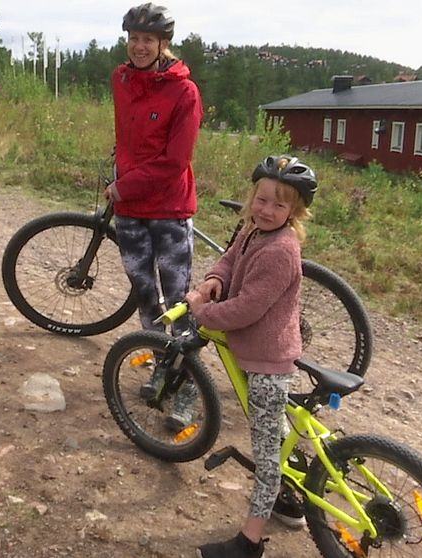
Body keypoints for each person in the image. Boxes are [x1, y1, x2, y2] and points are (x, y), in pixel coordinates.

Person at [187, 155, 318, 558]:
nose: (266, 210)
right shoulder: (253, 230)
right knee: (277, 432)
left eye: (279, 205)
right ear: (252, 198)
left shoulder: (281, 250)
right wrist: (213, 279)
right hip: (258, 351)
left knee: (266, 458)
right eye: (261, 199)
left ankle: (250, 541)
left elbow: (246, 309)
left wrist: (202, 311)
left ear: (295, 212)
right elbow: (230, 259)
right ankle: (292, 500)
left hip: (267, 361)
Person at [105, 2, 203, 431]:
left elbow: (175, 161)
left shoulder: (185, 92)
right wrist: (118, 172)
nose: (140, 46)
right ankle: (163, 369)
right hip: (130, 212)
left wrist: (125, 184)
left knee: (179, 305)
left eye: (148, 39)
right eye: (134, 38)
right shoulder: (121, 79)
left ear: (164, 44)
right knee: (147, 300)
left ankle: (189, 390)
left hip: (168, 210)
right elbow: (127, 138)